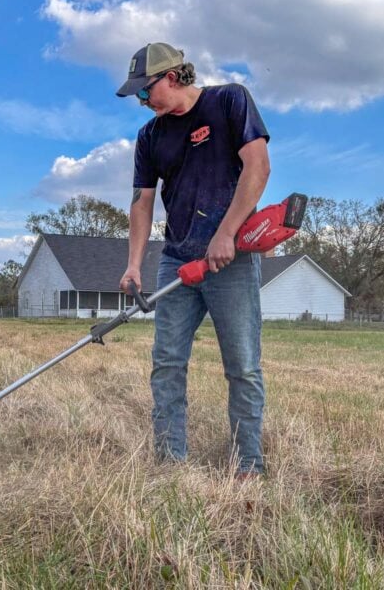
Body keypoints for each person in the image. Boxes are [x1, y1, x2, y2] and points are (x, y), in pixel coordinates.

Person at [117, 43, 271, 478]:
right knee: (166, 364)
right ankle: (170, 464)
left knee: (242, 366)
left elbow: (258, 166)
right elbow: (142, 204)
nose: (143, 104)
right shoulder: (150, 136)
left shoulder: (228, 101)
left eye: (145, 93)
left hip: (231, 261)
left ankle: (249, 466)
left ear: (171, 76)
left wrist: (226, 234)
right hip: (177, 260)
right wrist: (133, 264)